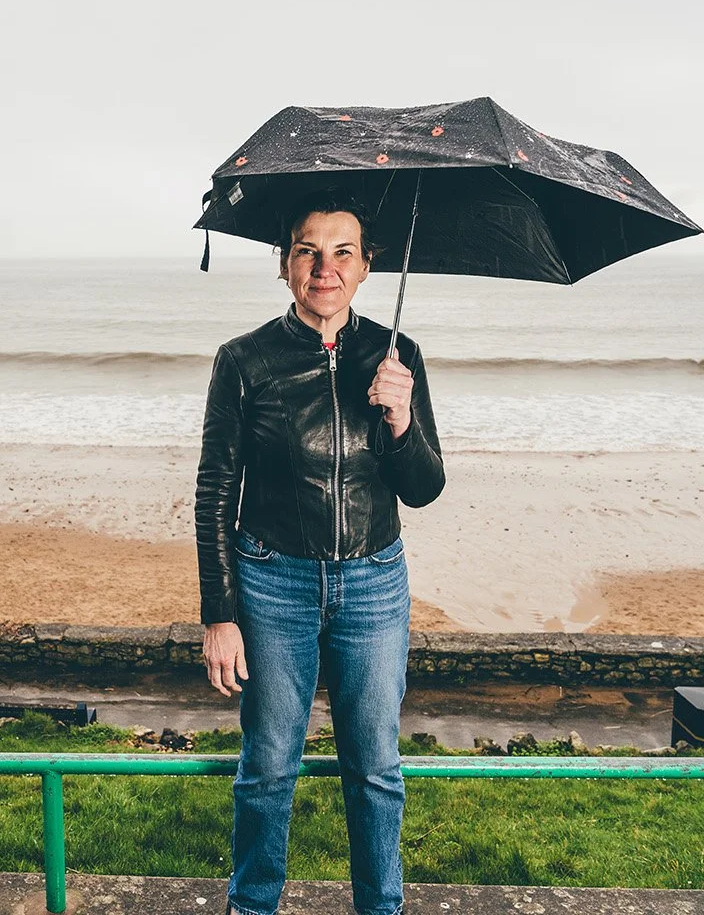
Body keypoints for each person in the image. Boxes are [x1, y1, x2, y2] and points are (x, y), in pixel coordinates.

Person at [195, 189, 446, 915]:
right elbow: (216, 490)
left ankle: (380, 908)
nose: (323, 267)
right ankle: (253, 907)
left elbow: (424, 488)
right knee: (268, 766)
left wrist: (399, 418)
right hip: (272, 582)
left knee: (374, 768)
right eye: (307, 250)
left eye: (342, 252)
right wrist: (220, 613)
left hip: (373, 582)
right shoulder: (244, 360)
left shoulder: (398, 357)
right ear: (284, 265)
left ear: (367, 266)